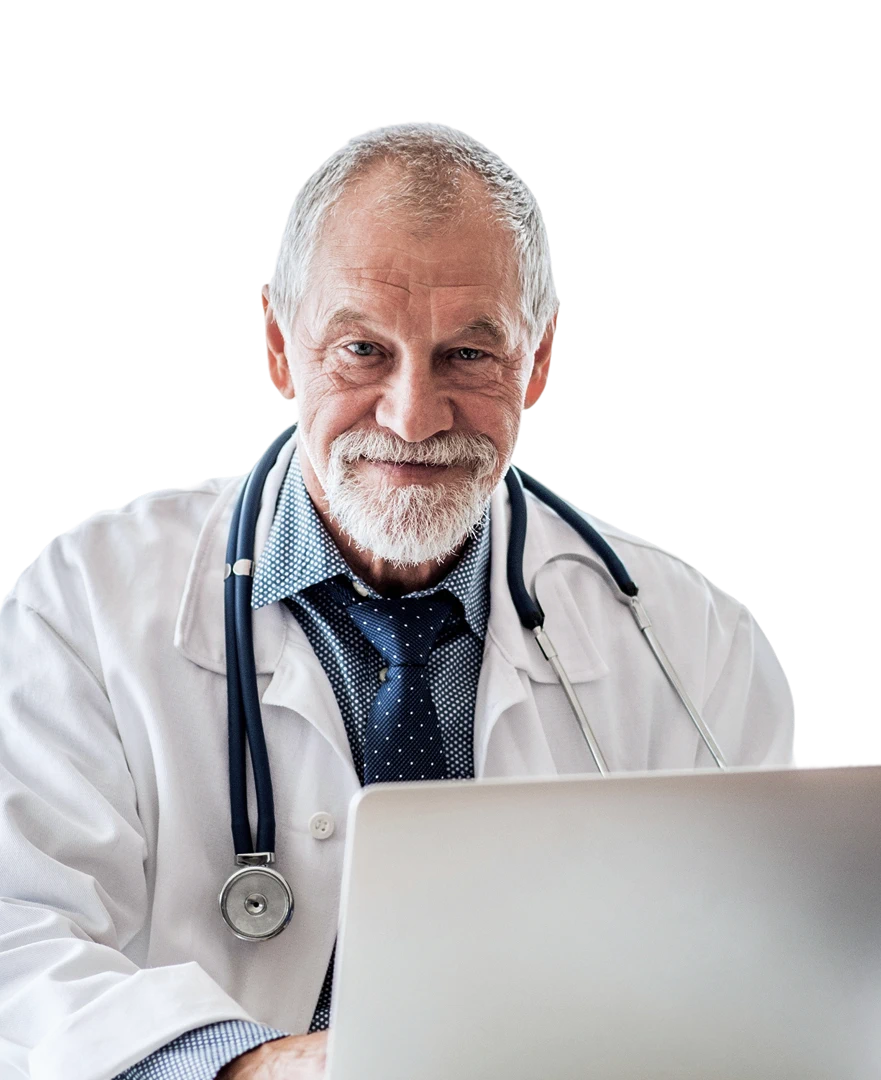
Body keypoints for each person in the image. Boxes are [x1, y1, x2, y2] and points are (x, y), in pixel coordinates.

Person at [0, 123, 796, 1080]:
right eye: (364, 350)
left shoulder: (686, 639)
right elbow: (22, 943)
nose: (413, 416)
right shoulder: (85, 601)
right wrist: (258, 1067)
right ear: (280, 352)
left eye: (469, 355)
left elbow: (767, 972)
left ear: (538, 363)